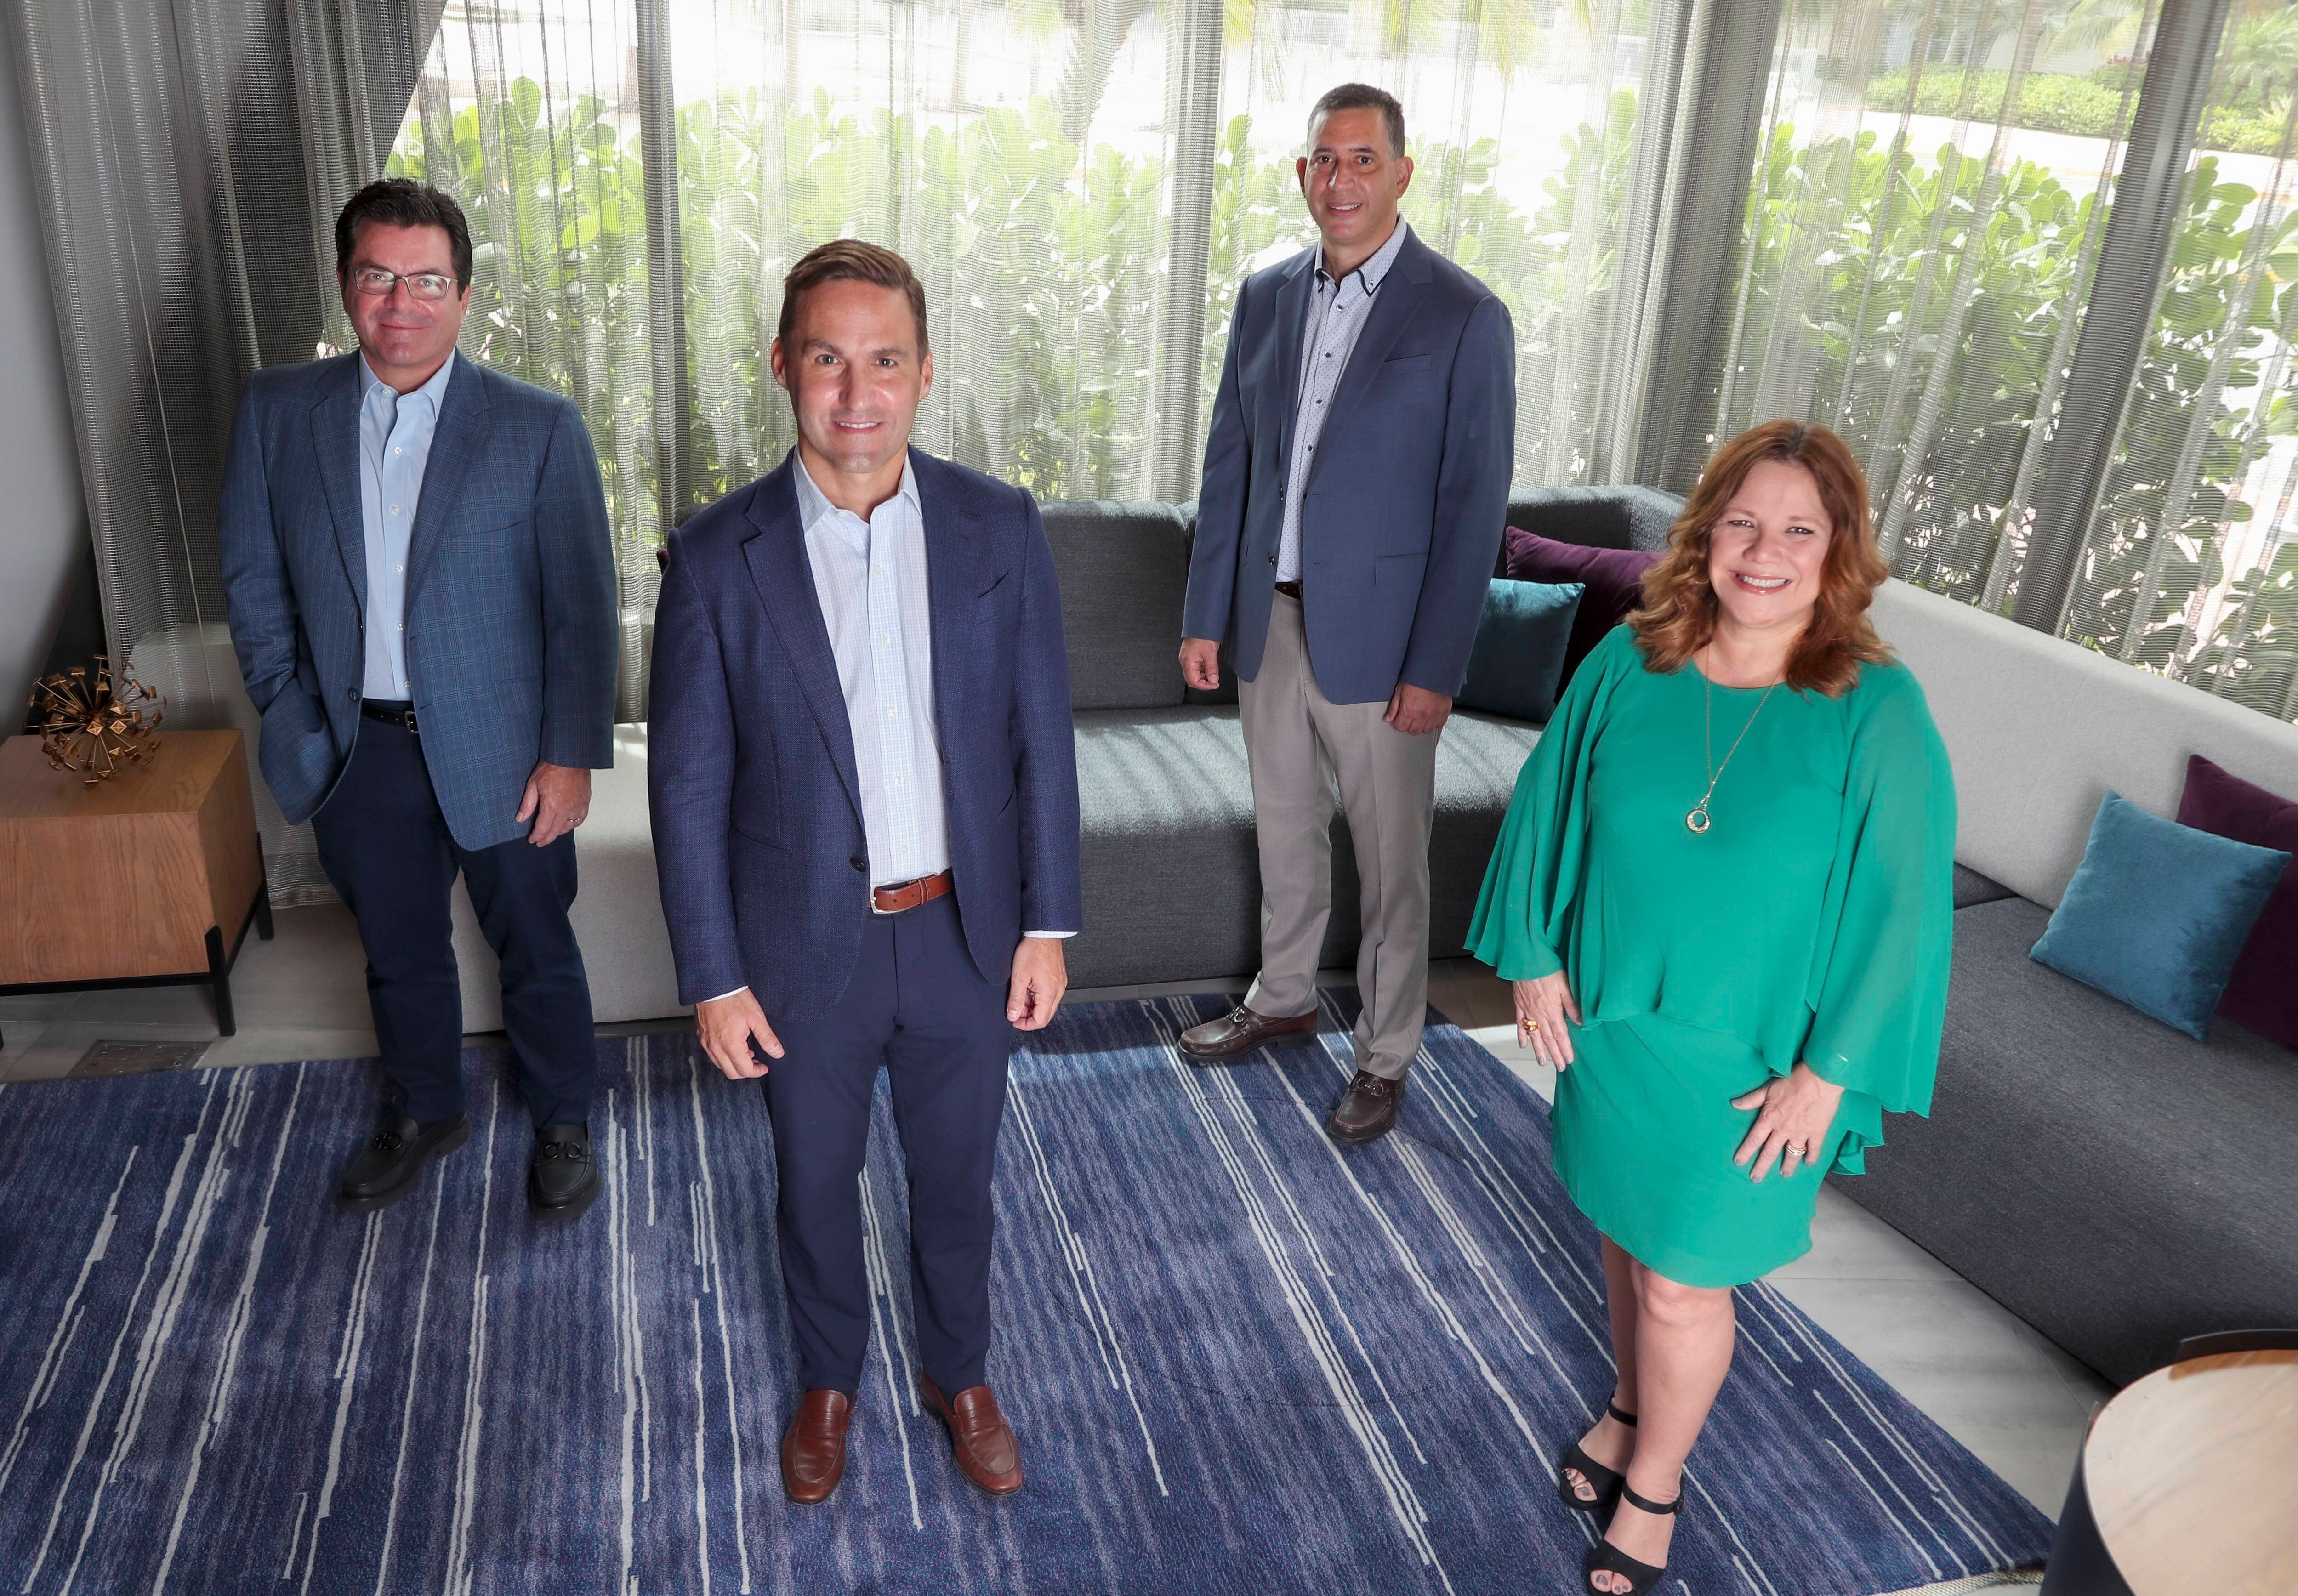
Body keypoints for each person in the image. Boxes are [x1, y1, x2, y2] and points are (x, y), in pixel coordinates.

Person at [1467, 421, 1956, 1595]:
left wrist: (1829, 1073)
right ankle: (1631, 1404)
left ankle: (1657, 1484)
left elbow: (1904, 906)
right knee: (1624, 1230)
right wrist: (1532, 956)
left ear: (1837, 549)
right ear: (1705, 534)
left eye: (1798, 529)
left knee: (1684, 1279)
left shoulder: (1876, 707)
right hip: (1616, 1022)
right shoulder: (1631, 658)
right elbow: (1546, 800)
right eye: (1742, 521)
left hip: (1760, 1060)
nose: (1764, 551)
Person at [648, 240, 1083, 1507]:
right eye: (827, 359)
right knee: (813, 1184)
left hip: (966, 936)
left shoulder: (999, 525)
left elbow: (1040, 742)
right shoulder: (716, 554)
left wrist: (1048, 924)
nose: (857, 392)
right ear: (783, 367)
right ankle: (828, 1379)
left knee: (958, 1181)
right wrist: (713, 976)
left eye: (884, 360)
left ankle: (960, 1373)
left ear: (925, 372)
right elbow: (687, 787)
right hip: (799, 949)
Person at [219, 179, 617, 1222]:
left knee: (537, 947)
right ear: (346, 284)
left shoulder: (538, 427)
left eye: (428, 280)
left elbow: (582, 608)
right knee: (398, 955)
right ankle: (426, 1108)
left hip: (510, 751)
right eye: (379, 277)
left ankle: (563, 1119)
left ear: (465, 294)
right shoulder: (277, 412)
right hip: (359, 750)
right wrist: (292, 717)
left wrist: (570, 754)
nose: (403, 303)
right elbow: (254, 580)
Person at [1175, 83, 1515, 1144]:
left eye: (1363, 159)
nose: (1341, 179)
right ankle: (1281, 1000)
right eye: (1325, 159)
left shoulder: (1464, 316)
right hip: (1266, 622)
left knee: (1391, 866)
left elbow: (1472, 508)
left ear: (1402, 173)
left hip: (1384, 644)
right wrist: (1206, 613)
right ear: (1301, 173)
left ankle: (1386, 1055)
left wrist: (1437, 666)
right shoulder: (1265, 296)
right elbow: (1230, 467)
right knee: (1285, 832)